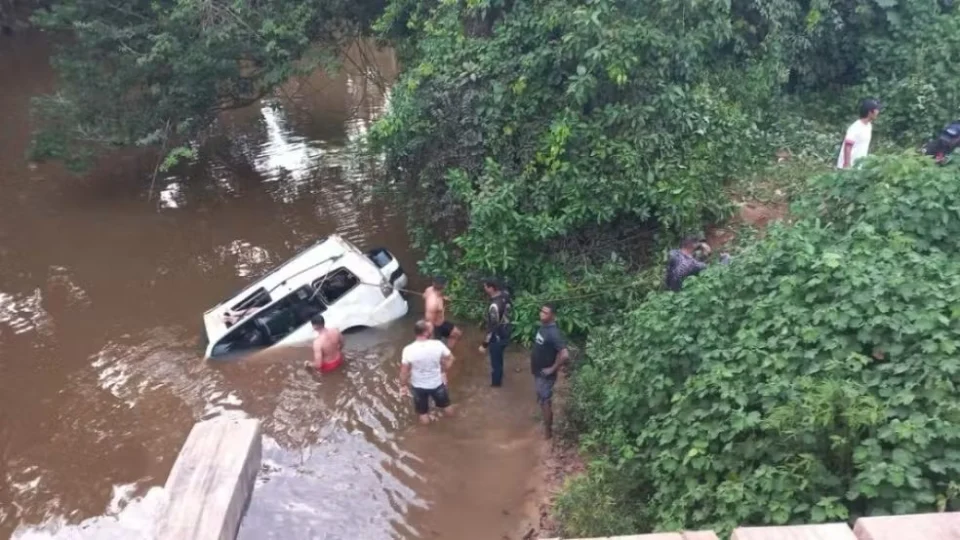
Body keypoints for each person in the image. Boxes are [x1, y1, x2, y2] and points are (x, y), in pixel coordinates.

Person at [399, 320, 455, 424]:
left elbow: (404, 371)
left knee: (423, 413)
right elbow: (451, 358)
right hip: (437, 384)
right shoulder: (438, 345)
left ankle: (426, 432)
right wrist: (444, 372)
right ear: (425, 332)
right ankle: (454, 424)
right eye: (430, 330)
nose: (432, 331)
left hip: (418, 387)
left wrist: (403, 386)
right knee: (447, 406)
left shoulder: (408, 349)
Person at [530, 303, 569, 439]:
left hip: (545, 375)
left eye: (546, 312)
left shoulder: (554, 333)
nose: (542, 314)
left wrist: (552, 369)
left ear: (553, 316)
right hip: (538, 371)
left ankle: (548, 433)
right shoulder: (543, 327)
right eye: (541, 311)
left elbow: (565, 354)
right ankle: (546, 424)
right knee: (542, 399)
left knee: (545, 401)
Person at [478, 278, 512, 387]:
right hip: (506, 332)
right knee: (499, 358)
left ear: (491, 288)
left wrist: (484, 344)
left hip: (497, 337)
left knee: (495, 363)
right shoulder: (505, 295)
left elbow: (493, 328)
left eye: (485, 286)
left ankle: (496, 384)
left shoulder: (494, 306)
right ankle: (500, 375)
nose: (484, 288)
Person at [837, 98, 881, 169]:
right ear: (870, 112)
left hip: (858, 167)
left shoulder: (869, 126)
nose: (878, 112)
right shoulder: (856, 127)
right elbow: (848, 145)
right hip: (849, 167)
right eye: (876, 110)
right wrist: (847, 164)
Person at [424, 276, 462, 349]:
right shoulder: (433, 303)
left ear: (433, 283)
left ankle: (447, 350)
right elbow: (429, 322)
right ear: (445, 286)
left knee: (457, 334)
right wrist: (431, 338)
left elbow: (424, 296)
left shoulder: (429, 289)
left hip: (441, 323)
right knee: (435, 349)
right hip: (435, 328)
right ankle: (442, 352)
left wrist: (443, 297)